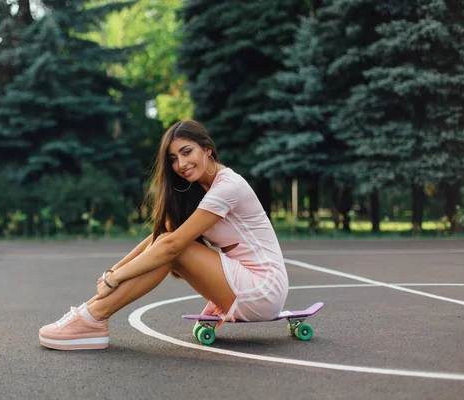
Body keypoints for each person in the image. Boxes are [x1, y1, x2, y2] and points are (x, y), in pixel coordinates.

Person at [39, 120, 289, 350]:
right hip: (241, 284)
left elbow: (172, 246)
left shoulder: (228, 186)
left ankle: (93, 319)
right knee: (167, 242)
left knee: (177, 249)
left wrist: (115, 278)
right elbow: (157, 238)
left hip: (263, 288)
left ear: (207, 149)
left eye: (187, 152)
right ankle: (90, 313)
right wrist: (110, 274)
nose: (180, 164)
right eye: (173, 158)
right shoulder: (198, 189)